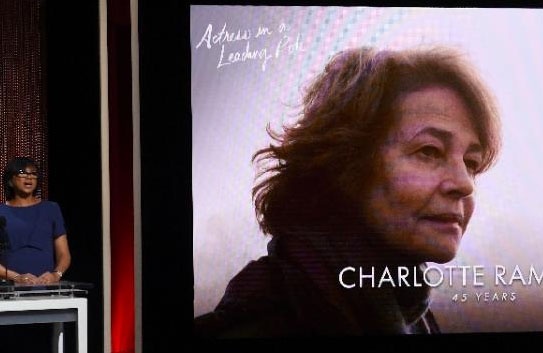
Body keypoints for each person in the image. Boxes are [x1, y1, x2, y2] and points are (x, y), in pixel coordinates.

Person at [195, 46, 501, 337]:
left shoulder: (412, 317)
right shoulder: (264, 326)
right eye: (429, 151)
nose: (464, 184)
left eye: (471, 162)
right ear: (346, 162)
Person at [0, 156, 72, 353]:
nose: (29, 177)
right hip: (8, 297)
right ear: (10, 179)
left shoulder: (51, 209)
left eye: (33, 173)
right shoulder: (1, 213)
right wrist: (15, 276)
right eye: (22, 173)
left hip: (42, 296)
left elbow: (64, 255)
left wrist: (55, 275)